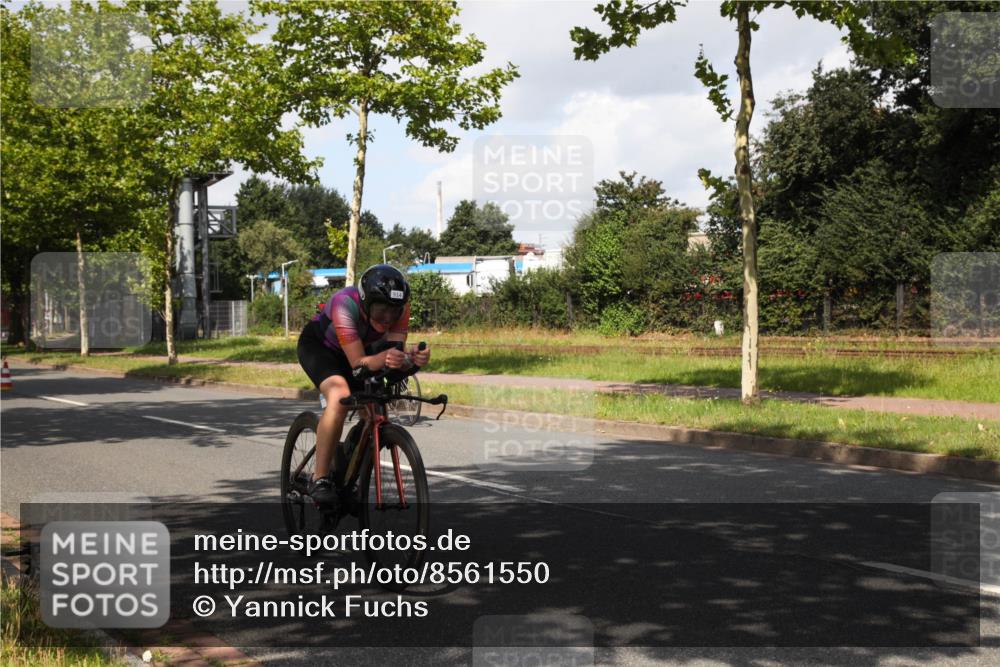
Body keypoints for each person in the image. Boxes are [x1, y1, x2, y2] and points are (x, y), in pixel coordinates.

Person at [296, 264, 430, 507]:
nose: (388, 318)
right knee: (339, 397)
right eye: (381, 311)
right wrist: (384, 359)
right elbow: (358, 364)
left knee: (374, 409)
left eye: (394, 311)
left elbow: (392, 361)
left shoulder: (403, 308)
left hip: (361, 352)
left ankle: (346, 469)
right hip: (322, 349)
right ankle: (321, 478)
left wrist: (412, 361)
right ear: (366, 303)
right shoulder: (344, 303)